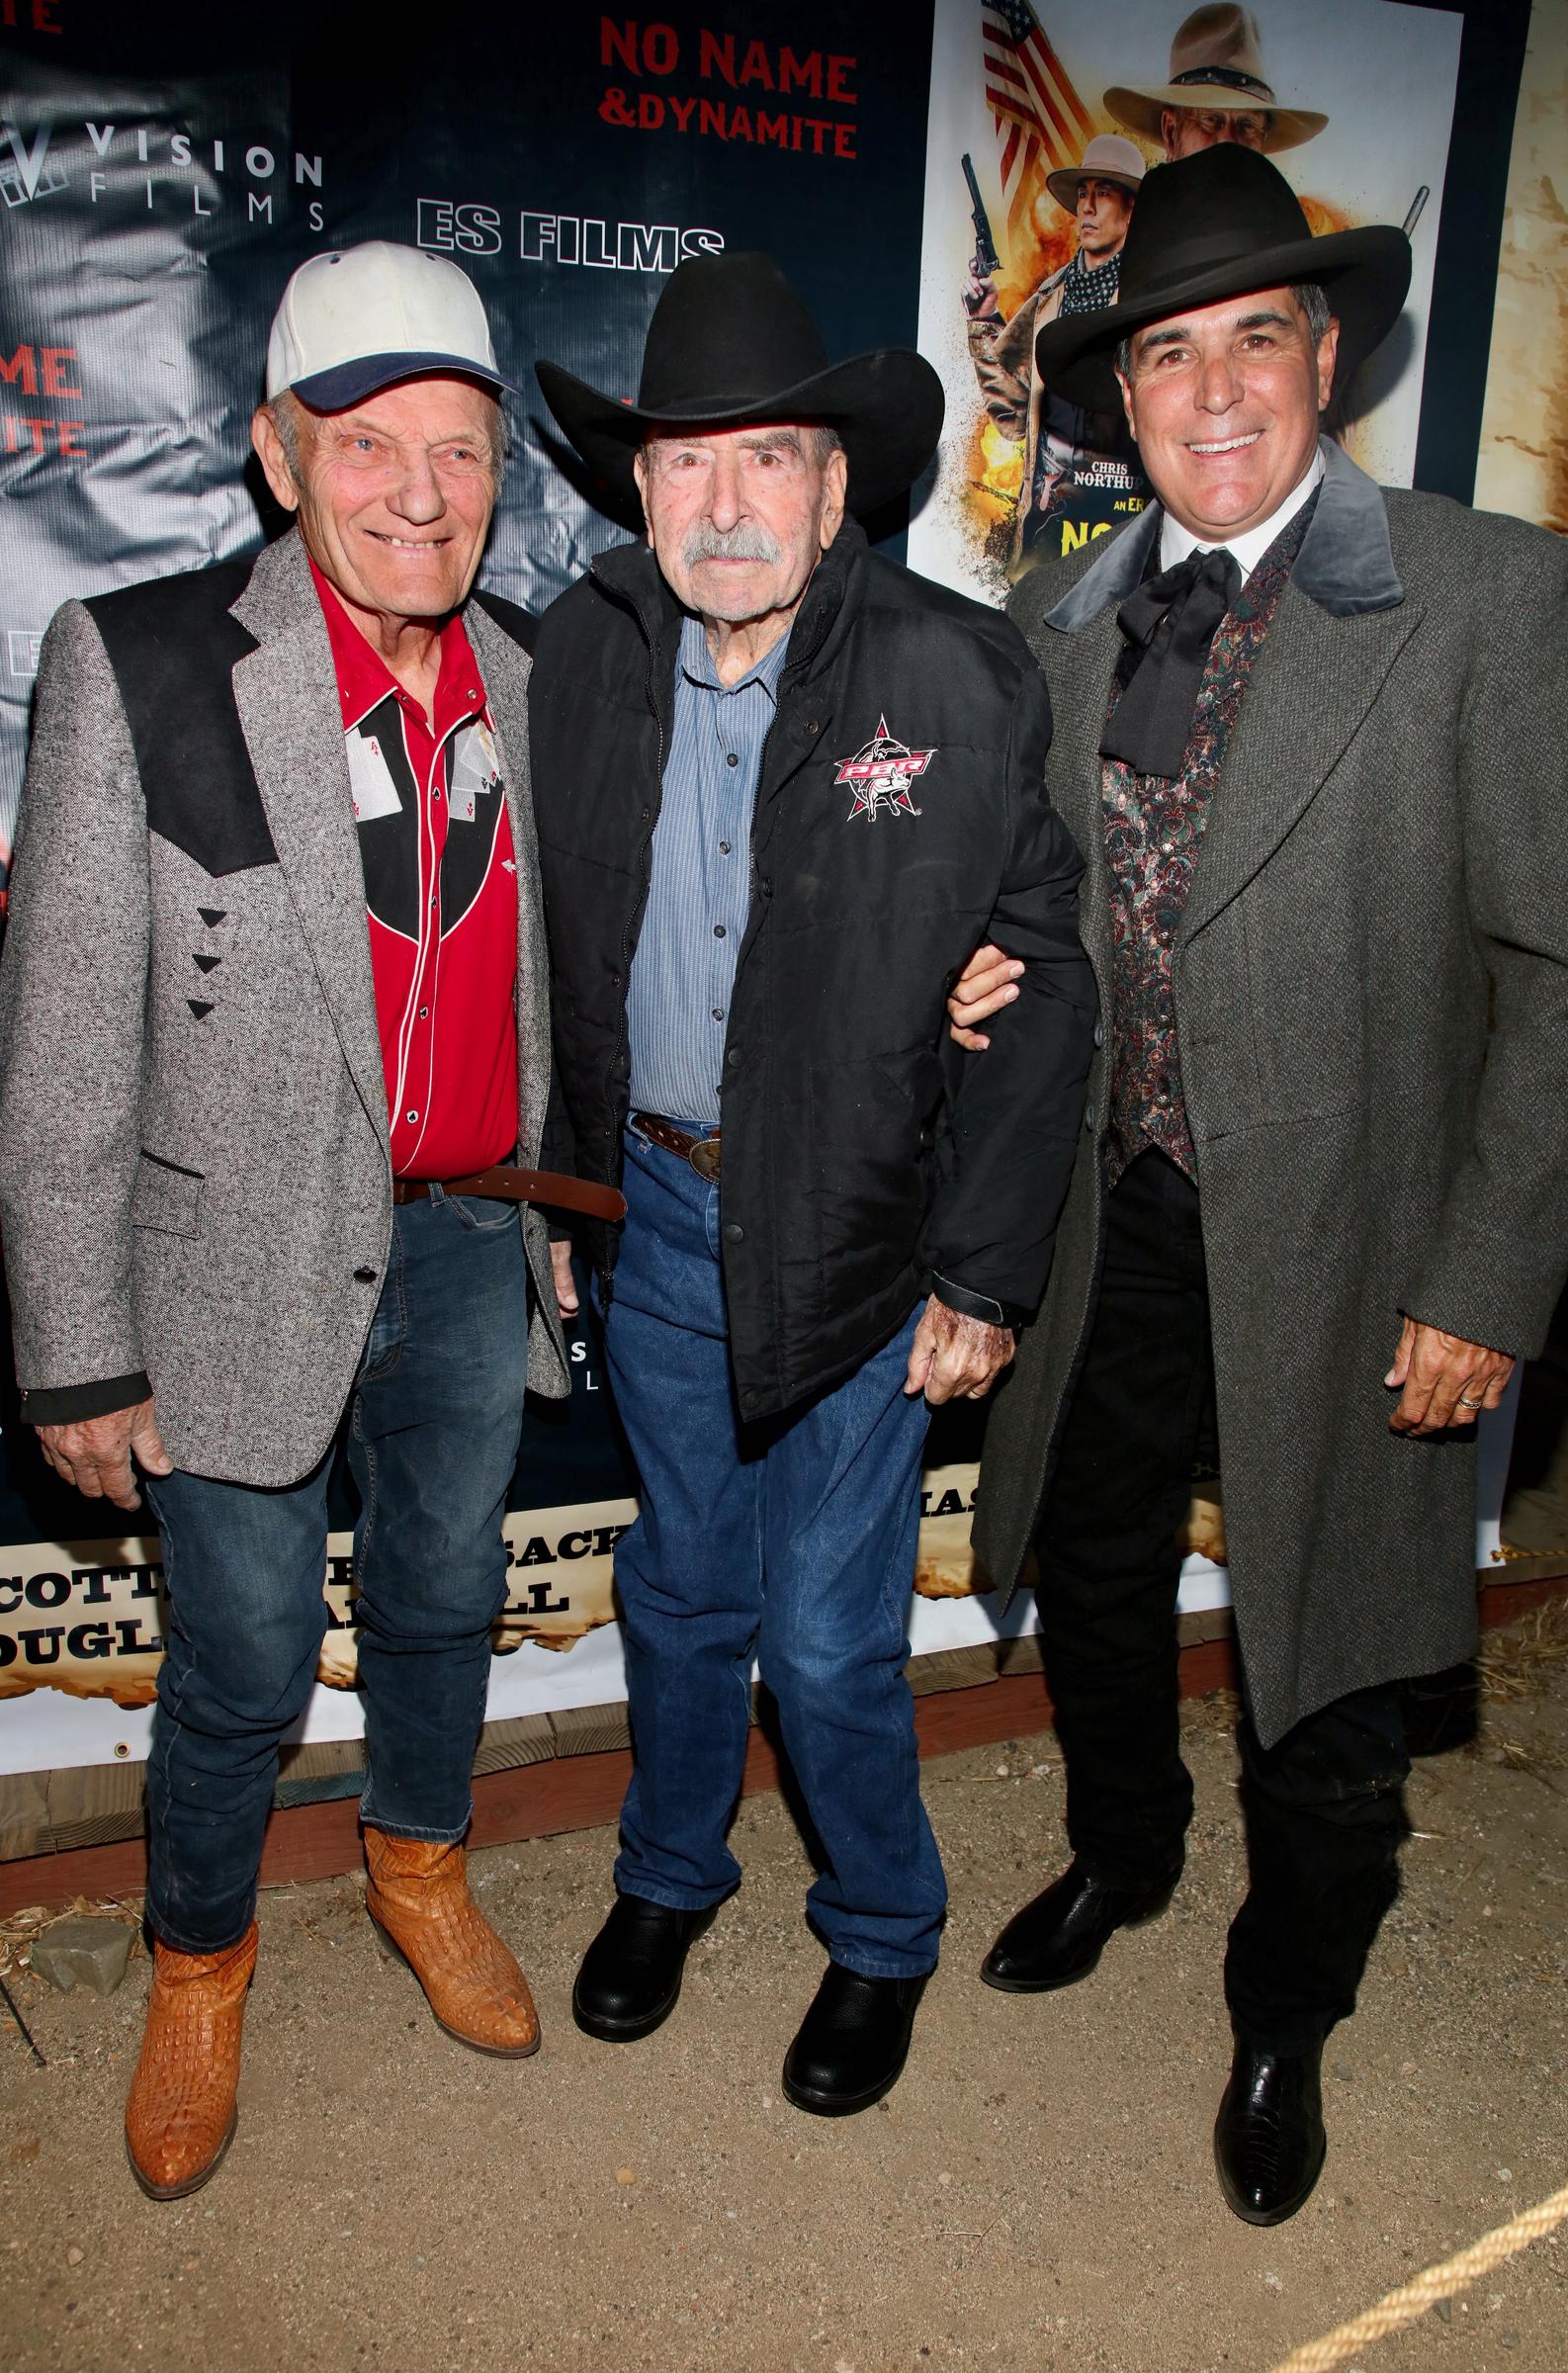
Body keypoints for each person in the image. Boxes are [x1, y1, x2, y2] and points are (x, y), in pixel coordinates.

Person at [949, 146, 1568, 2224]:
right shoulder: (1058, 619)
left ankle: (1283, 1994)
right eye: (1161, 358)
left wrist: (1486, 1276)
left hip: (1365, 1236)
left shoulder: (1483, 595)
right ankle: (1124, 1847)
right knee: (1100, 1564)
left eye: (1251, 342)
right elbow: (1053, 919)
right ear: (1118, 397)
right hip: (1108, 1205)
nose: (1207, 392)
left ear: (1323, 360)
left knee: (1330, 1635)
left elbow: (1557, 969)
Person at [0, 241, 605, 2200]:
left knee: (441, 1600)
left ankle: (418, 1865)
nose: (419, 490)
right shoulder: (144, 660)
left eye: (460, 446)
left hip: (462, 1240)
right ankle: (201, 1960)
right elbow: (68, 1041)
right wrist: (76, 1349)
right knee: (243, 1662)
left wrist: (569, 1180)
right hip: (229, 1262)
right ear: (280, 456)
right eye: (366, 446)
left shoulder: (533, 671)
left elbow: (564, 972)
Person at [530, 252, 1096, 2116]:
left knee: (835, 1635)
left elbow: (1041, 979)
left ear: (838, 485)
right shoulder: (584, 657)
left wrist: (987, 1278)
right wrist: (565, 1202)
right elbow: (558, 951)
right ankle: (672, 1877)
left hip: (861, 1228)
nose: (724, 502)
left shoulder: (950, 669)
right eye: (685, 462)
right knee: (682, 1588)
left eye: (768, 458)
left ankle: (880, 1933)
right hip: (658, 1213)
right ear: (635, 487)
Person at [963, 135, 1146, 574]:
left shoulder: (1149, 299)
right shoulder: (1050, 299)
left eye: (1103, 193)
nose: (1087, 207)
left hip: (1126, 526)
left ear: (1132, 209)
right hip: (1047, 527)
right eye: (1083, 194)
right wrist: (985, 319)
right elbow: (1012, 413)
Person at [1104, 4, 1327, 160]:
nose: (1228, 142)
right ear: (1171, 132)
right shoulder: (1144, 225)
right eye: (1211, 119)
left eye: (1247, 125)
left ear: (1263, 141)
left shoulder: (1283, 224)